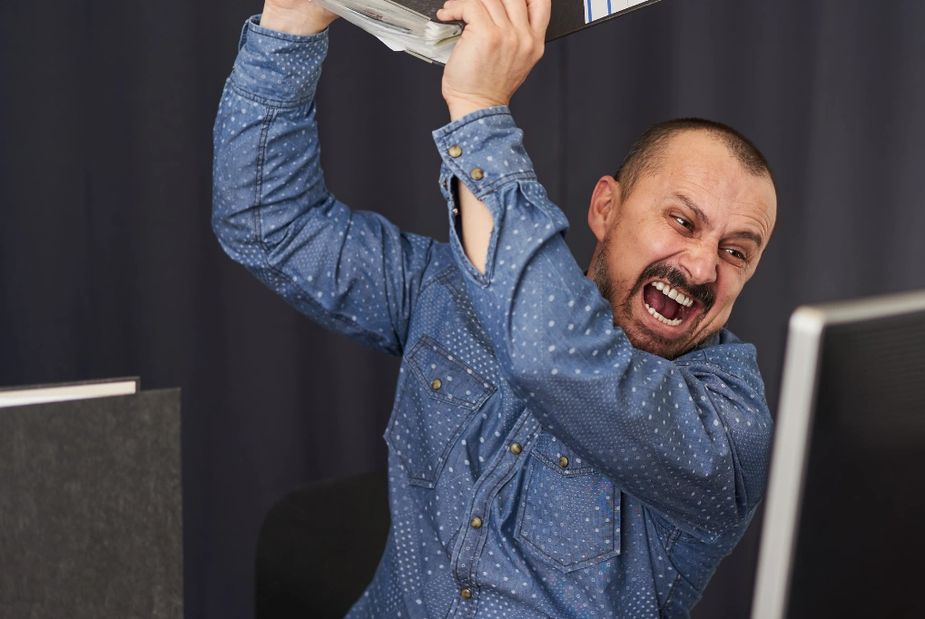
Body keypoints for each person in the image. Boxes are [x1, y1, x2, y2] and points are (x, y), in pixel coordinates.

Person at [213, 0, 778, 616]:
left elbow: (550, 356)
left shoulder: (727, 433)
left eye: (736, 253)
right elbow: (268, 223)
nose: (701, 267)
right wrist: (294, 18)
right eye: (681, 221)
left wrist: (479, 109)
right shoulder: (449, 294)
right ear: (606, 208)